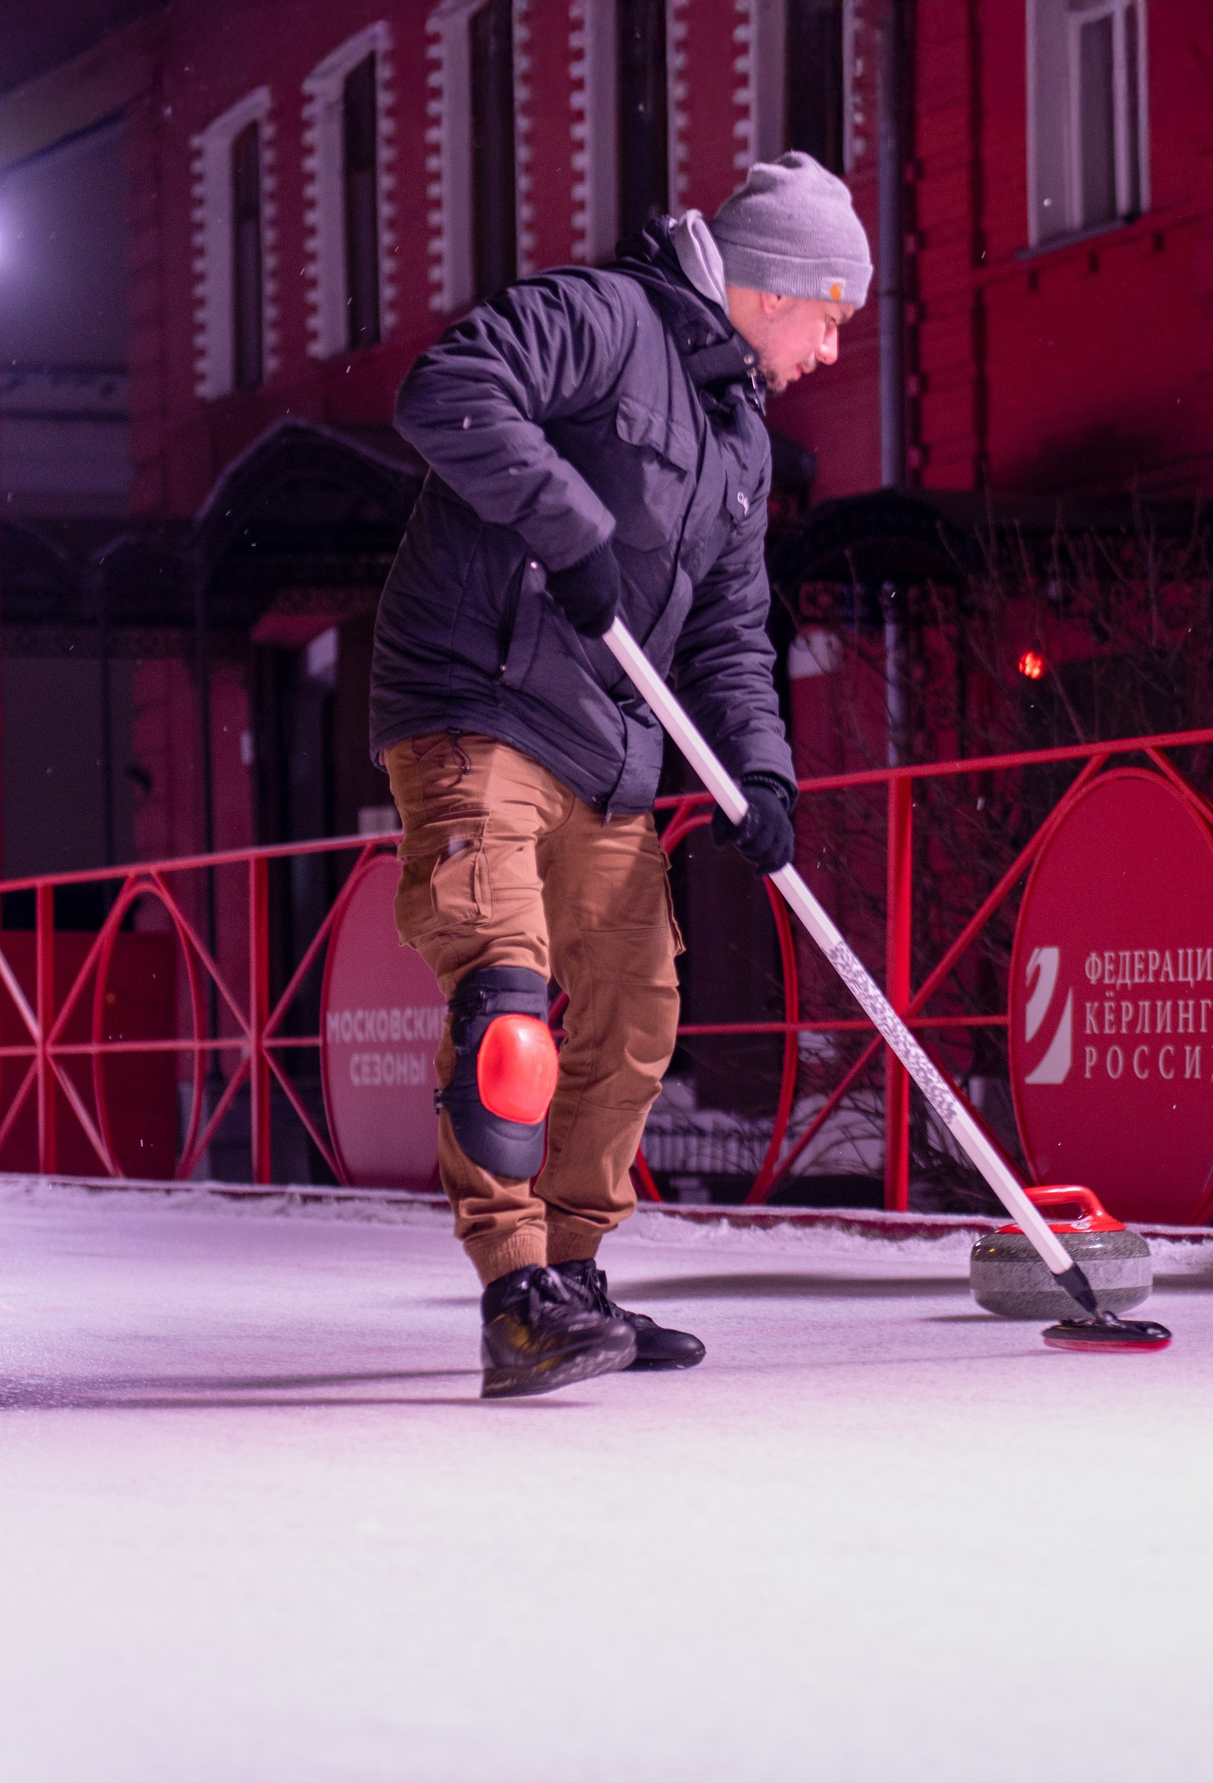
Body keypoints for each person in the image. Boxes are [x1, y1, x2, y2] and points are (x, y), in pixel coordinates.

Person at [370, 152, 868, 1398]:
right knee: (511, 1013)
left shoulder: (740, 439)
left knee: (636, 1022)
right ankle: (513, 1294)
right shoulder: (604, 318)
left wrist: (761, 770)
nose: (833, 349)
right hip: (477, 706)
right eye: (833, 315)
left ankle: (576, 1276)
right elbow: (447, 390)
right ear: (775, 287)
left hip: (607, 750)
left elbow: (730, 633)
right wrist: (571, 529)